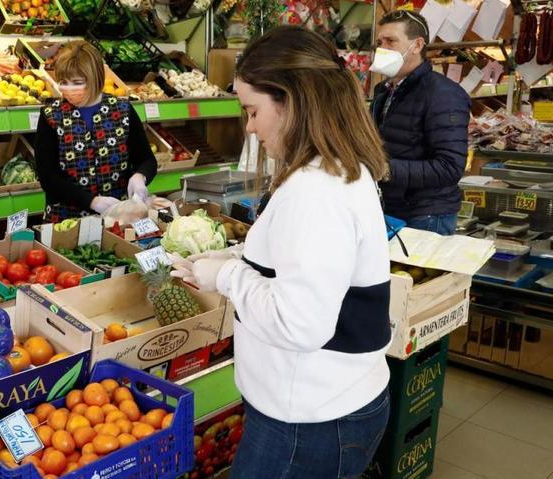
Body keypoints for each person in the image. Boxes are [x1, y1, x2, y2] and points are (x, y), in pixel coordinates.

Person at [170, 26, 392, 478]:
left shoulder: (315, 191)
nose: (249, 126)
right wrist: (237, 262)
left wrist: (227, 278)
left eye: (252, 111)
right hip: (330, 399)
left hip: (309, 420)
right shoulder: (338, 169)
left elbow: (301, 324)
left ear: (292, 100)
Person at [371, 10, 471, 235]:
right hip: (392, 209)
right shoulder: (384, 91)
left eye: (391, 41)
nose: (382, 48)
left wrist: (386, 170)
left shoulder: (443, 95)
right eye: (379, 42)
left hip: (427, 216)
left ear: (417, 45)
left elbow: (450, 167)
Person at [34, 41, 157, 223]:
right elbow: (47, 176)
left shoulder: (122, 110)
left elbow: (146, 159)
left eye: (77, 82)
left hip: (119, 218)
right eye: (63, 82)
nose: (69, 89)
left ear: (96, 79)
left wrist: (140, 176)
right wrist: (91, 201)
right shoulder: (51, 116)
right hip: (67, 221)